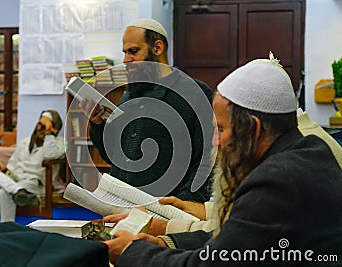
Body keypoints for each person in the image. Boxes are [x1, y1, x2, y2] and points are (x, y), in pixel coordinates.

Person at [104, 54, 342, 266]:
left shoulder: (276, 180)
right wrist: (166, 242)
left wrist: (131, 252)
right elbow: (239, 240)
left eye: (221, 129)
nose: (216, 141)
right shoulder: (308, 150)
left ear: (254, 129)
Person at [104, 107, 342, 237]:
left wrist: (161, 236)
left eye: (222, 129)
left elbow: (228, 246)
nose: (216, 141)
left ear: (254, 124)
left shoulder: (282, 167)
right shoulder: (295, 143)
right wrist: (196, 208)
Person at [79, 18, 215, 202]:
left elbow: (207, 159)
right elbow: (116, 156)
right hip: (122, 206)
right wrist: (98, 125)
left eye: (133, 51)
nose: (126, 60)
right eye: (125, 52)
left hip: (167, 211)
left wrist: (183, 203)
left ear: (157, 48)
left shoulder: (195, 93)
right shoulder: (130, 95)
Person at [0, 110, 65, 222]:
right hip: (16, 180)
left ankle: (7, 227)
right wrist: (6, 171)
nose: (39, 128)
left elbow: (50, 155)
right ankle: (17, 190)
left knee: (3, 191)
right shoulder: (25, 142)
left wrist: (49, 133)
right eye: (39, 124)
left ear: (52, 127)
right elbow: (12, 163)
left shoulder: (59, 143)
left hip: (34, 183)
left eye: (44, 125)